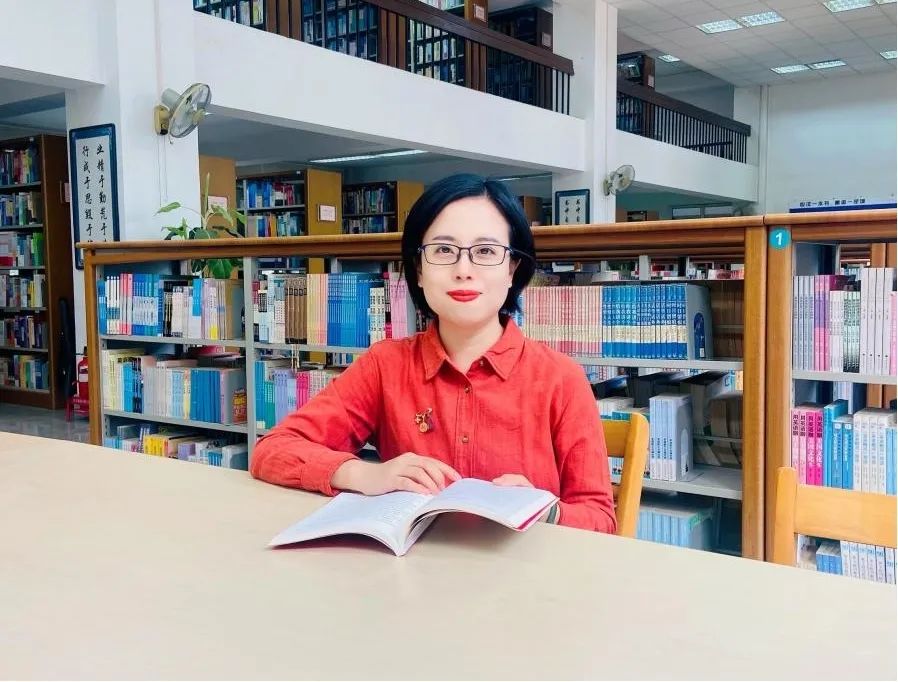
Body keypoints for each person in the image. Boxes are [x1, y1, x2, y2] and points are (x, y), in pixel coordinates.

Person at [250, 174, 616, 533]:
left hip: (526, 568)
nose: (463, 270)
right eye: (443, 250)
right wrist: (365, 474)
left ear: (512, 270)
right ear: (419, 270)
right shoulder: (386, 366)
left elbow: (600, 518)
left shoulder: (560, 379)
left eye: (486, 251)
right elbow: (273, 451)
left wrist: (544, 512)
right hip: (410, 565)